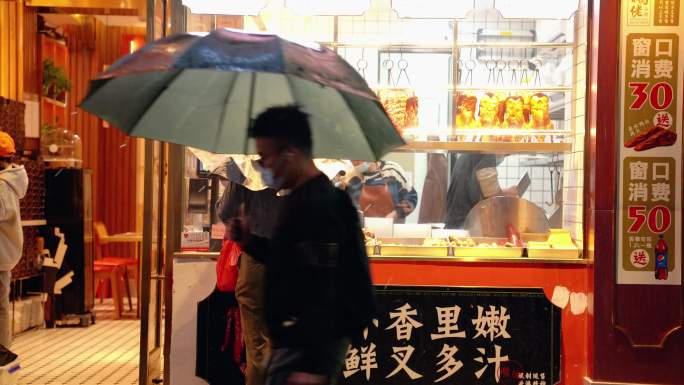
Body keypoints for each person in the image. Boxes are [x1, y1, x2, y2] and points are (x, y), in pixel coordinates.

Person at [230, 105, 375, 385]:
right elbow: (292, 263)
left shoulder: (319, 205)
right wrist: (250, 242)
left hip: (306, 357)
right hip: (294, 349)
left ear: (290, 154)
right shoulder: (302, 199)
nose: (263, 168)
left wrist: (311, 366)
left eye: (265, 158)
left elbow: (324, 288)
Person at [217, 156, 283, 385]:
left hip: (257, 260)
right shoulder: (301, 165)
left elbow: (226, 212)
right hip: (295, 264)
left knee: (258, 347)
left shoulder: (246, 165)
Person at [0, 132, 28, 352]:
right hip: (4, 255)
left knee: (0, 308)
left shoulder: (2, 185)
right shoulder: (10, 182)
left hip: (0, 256)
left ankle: (1, 355)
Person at [445, 153, 516, 229]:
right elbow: (493, 199)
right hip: (465, 225)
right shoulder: (487, 155)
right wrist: (506, 195)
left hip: (455, 222)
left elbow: (480, 189)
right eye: (505, 155)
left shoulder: (469, 153)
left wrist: (505, 192)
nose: (503, 158)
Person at [342, 160, 418, 222]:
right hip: (365, 234)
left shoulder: (391, 170)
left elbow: (411, 197)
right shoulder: (351, 178)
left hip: (393, 230)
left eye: (358, 160)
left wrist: (396, 213)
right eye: (352, 161)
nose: (355, 163)